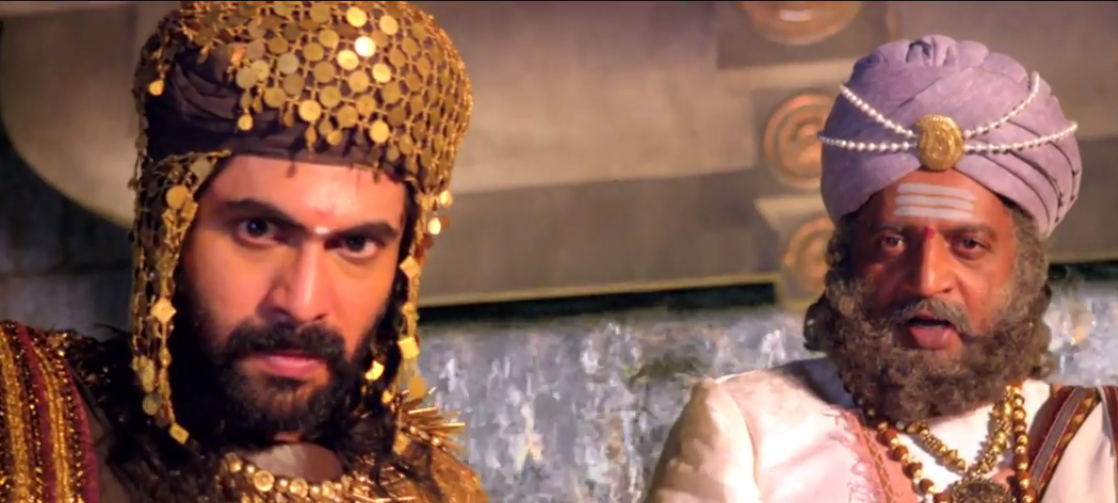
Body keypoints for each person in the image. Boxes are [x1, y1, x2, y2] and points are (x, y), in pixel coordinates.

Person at [0, 2, 488, 502]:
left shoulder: (435, 488)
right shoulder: (24, 417)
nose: (302, 303)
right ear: (170, 232)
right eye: (259, 230)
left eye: (355, 244)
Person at [644, 35, 1117, 503]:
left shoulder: (1103, 436)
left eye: (968, 245)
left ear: (1024, 270)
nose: (927, 280)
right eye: (892, 242)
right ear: (846, 257)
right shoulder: (749, 430)